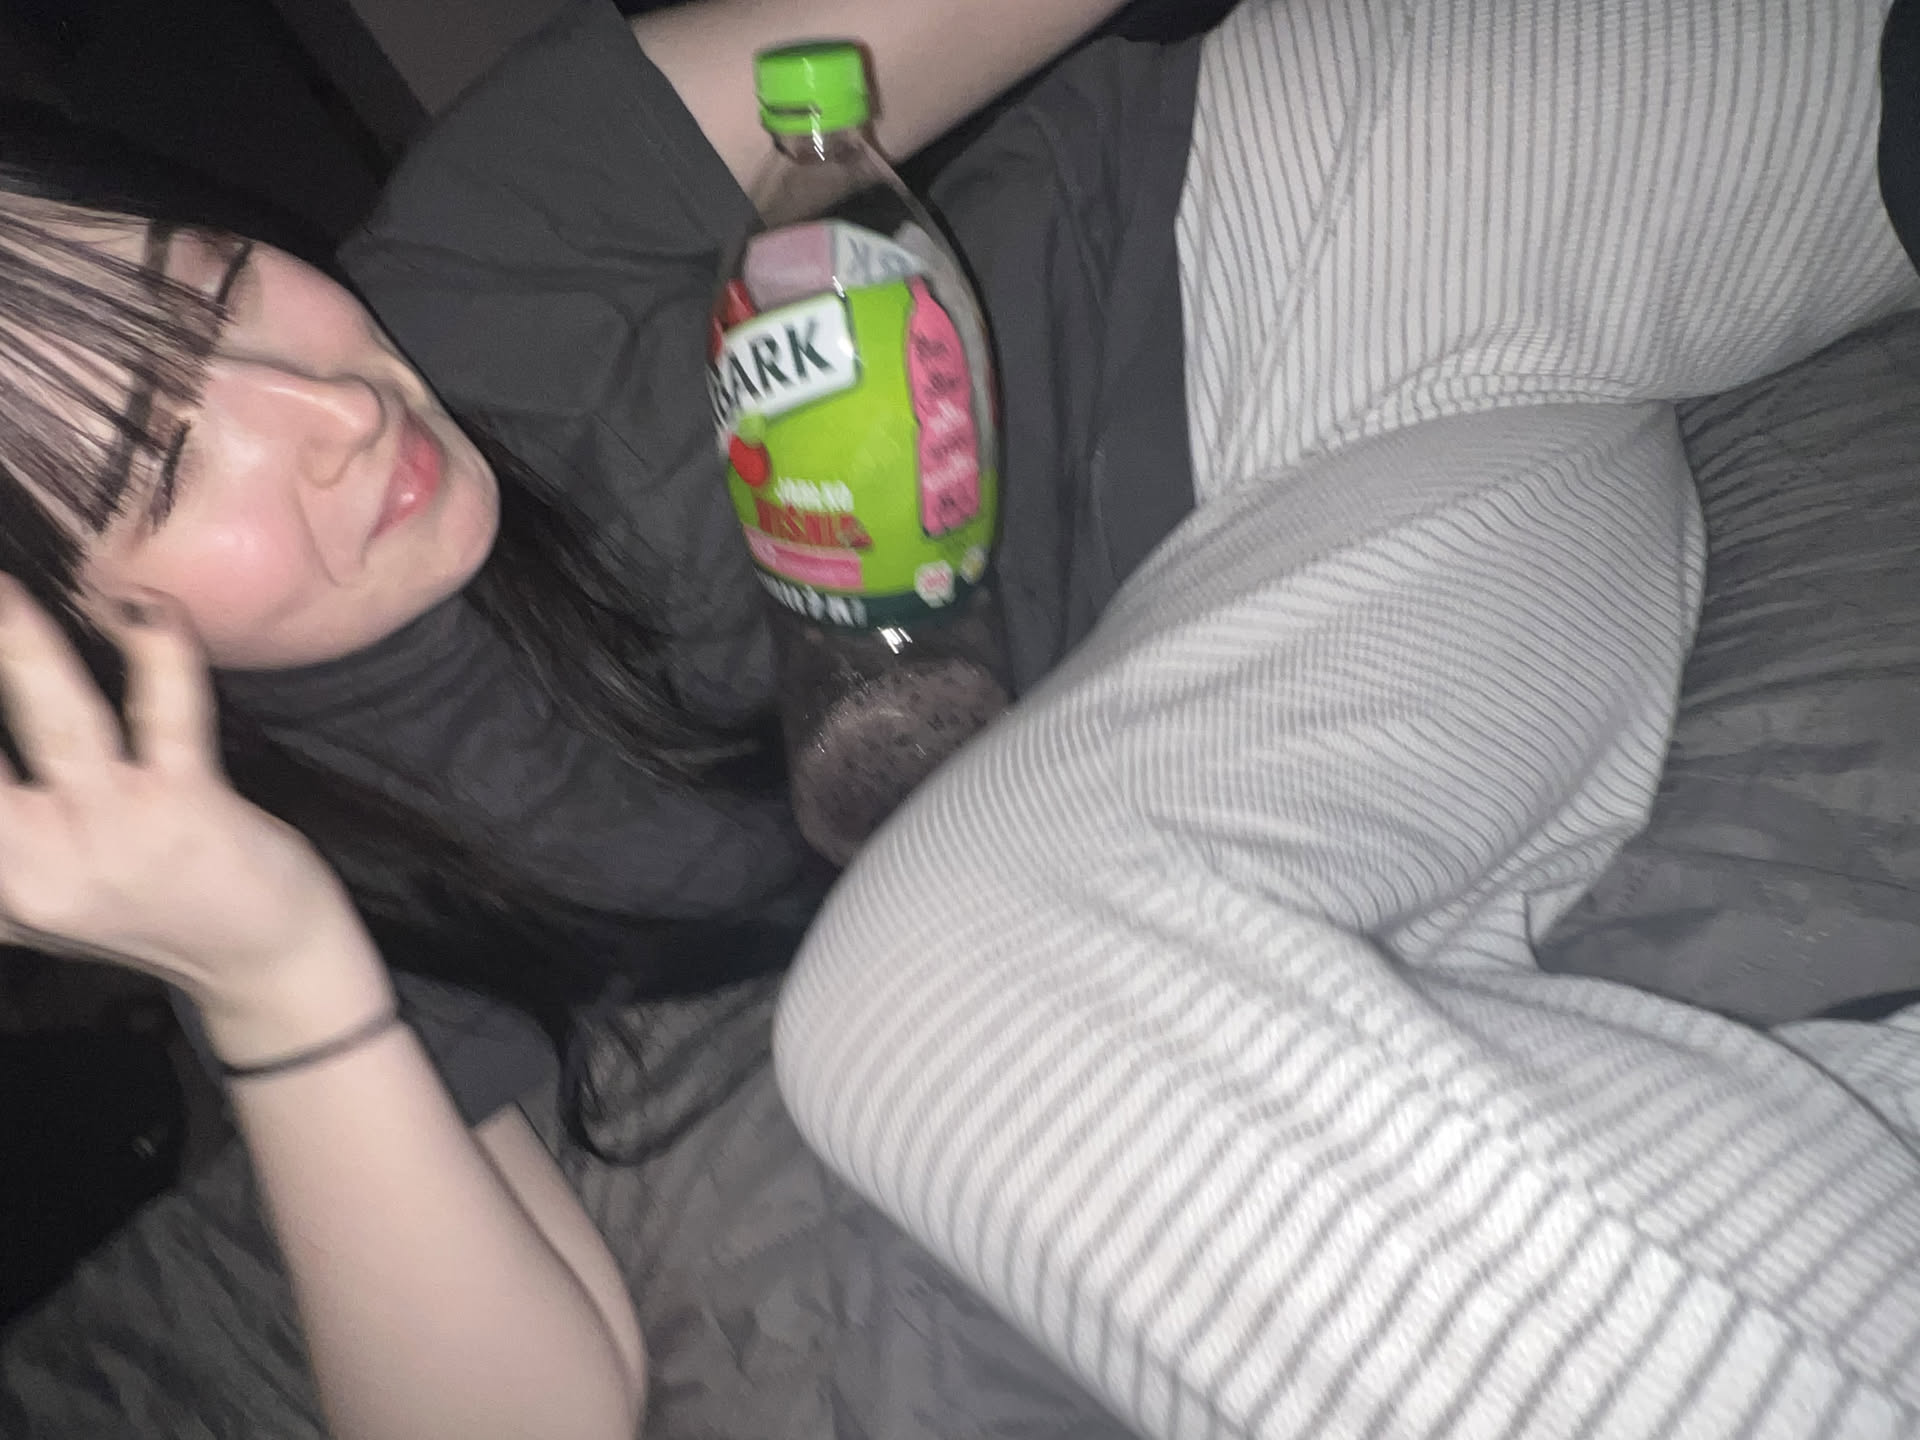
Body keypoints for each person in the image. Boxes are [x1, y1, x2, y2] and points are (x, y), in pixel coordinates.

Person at [0, 1, 1156, 1435]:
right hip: (1190, 684)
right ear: (60, 639)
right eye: (161, 469)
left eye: (221, 283)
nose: (335, 411)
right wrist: (276, 970)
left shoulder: (501, 231)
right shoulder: (293, 842)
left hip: (1252, 263)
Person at [773, 0, 1920, 1437]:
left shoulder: (506, 225)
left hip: (1297, 212)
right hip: (1235, 580)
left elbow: (825, 92)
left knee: (934, 993)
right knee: (1183, 1074)